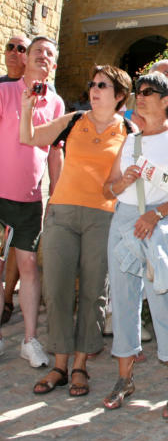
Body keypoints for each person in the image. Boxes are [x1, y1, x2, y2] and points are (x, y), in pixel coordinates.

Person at [19, 65, 133, 396]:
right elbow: (29, 137)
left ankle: (80, 365)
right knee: (56, 289)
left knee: (94, 291)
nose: (94, 89)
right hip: (62, 215)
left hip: (102, 217)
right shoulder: (74, 121)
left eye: (103, 85)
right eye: (92, 83)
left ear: (119, 96)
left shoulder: (128, 131)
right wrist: (28, 106)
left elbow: (122, 181)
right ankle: (59, 365)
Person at [102, 72, 168, 418]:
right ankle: (124, 379)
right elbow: (106, 189)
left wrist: (155, 214)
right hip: (126, 221)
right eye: (138, 92)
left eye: (147, 92)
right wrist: (121, 182)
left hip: (160, 221)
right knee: (124, 301)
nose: (139, 97)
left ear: (166, 100)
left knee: (163, 301)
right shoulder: (131, 141)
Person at [0, 36, 64, 364]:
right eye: (37, 50)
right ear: (26, 59)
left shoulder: (55, 103)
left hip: (29, 200)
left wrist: (56, 192)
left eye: (49, 54)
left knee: (28, 266)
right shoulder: (4, 92)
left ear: (53, 66)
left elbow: (55, 153)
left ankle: (29, 340)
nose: (43, 56)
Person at [1, 34, 30, 327]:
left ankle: (8, 297)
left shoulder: (38, 93)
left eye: (20, 48)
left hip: (25, 187)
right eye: (10, 47)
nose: (13, 52)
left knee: (17, 247)